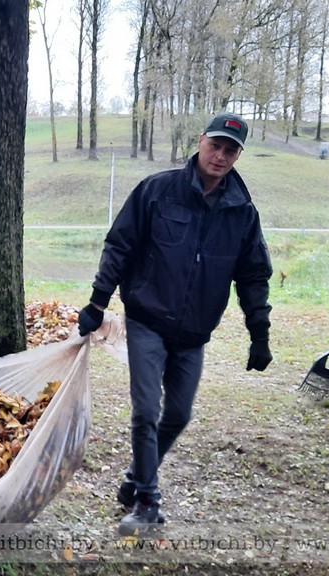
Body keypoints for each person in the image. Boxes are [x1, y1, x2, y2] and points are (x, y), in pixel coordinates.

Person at [78, 112, 273, 535]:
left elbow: (254, 275)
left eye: (231, 150)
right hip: (147, 319)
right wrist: (97, 301)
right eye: (215, 145)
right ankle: (147, 500)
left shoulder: (242, 212)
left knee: (179, 415)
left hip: (194, 332)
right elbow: (120, 245)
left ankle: (135, 478)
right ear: (200, 141)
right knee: (147, 410)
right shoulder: (157, 190)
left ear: (238, 155)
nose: (220, 156)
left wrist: (259, 334)